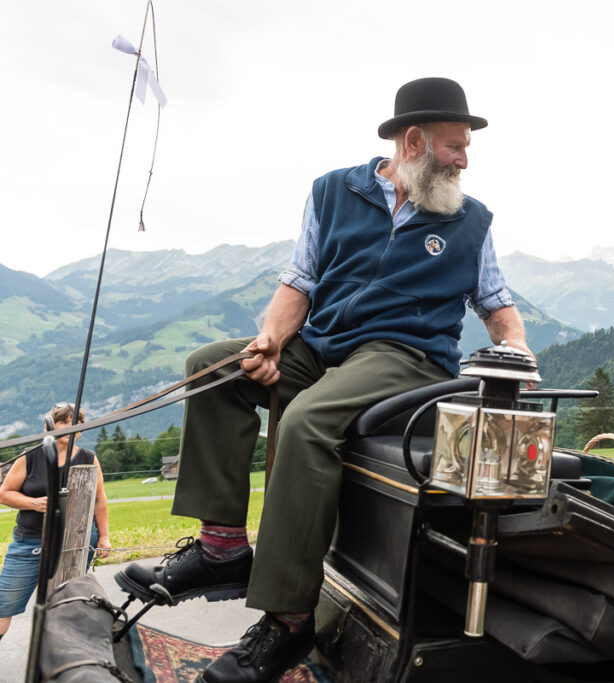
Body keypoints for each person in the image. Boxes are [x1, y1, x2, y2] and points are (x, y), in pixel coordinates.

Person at [116, 77, 530, 682]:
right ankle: (223, 549)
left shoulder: (471, 220)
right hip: (323, 344)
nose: (465, 159)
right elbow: (299, 281)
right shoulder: (332, 192)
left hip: (405, 354)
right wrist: (270, 340)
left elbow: (497, 307)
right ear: (413, 141)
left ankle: (287, 620)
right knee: (210, 368)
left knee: (309, 419)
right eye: (454, 146)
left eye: (467, 146)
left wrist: (515, 349)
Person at [0, 403, 111, 643]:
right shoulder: (31, 456)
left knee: (64, 603)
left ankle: (60, 658)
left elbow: (100, 500)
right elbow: (4, 493)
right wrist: (34, 503)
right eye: (64, 422)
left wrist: (104, 536)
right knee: (4, 604)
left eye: (77, 422)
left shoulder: (88, 458)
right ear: (50, 426)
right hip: (29, 541)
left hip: (75, 540)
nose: (72, 427)